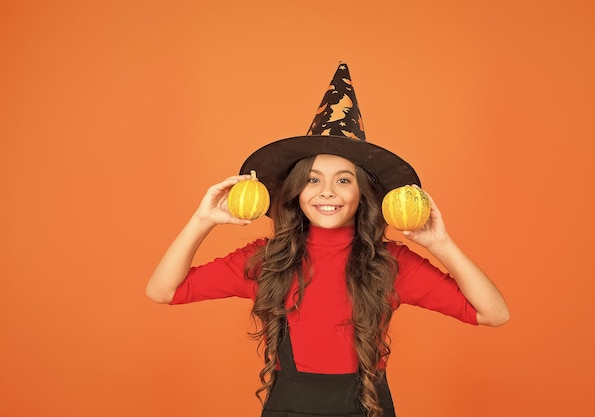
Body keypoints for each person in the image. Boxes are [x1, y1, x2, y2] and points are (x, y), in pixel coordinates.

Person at [146, 63, 509, 417]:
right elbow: (162, 291)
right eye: (314, 179)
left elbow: (494, 313)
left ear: (363, 194)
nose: (327, 193)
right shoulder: (267, 260)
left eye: (344, 180)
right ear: (296, 190)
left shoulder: (391, 264)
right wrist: (202, 220)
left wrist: (440, 243)